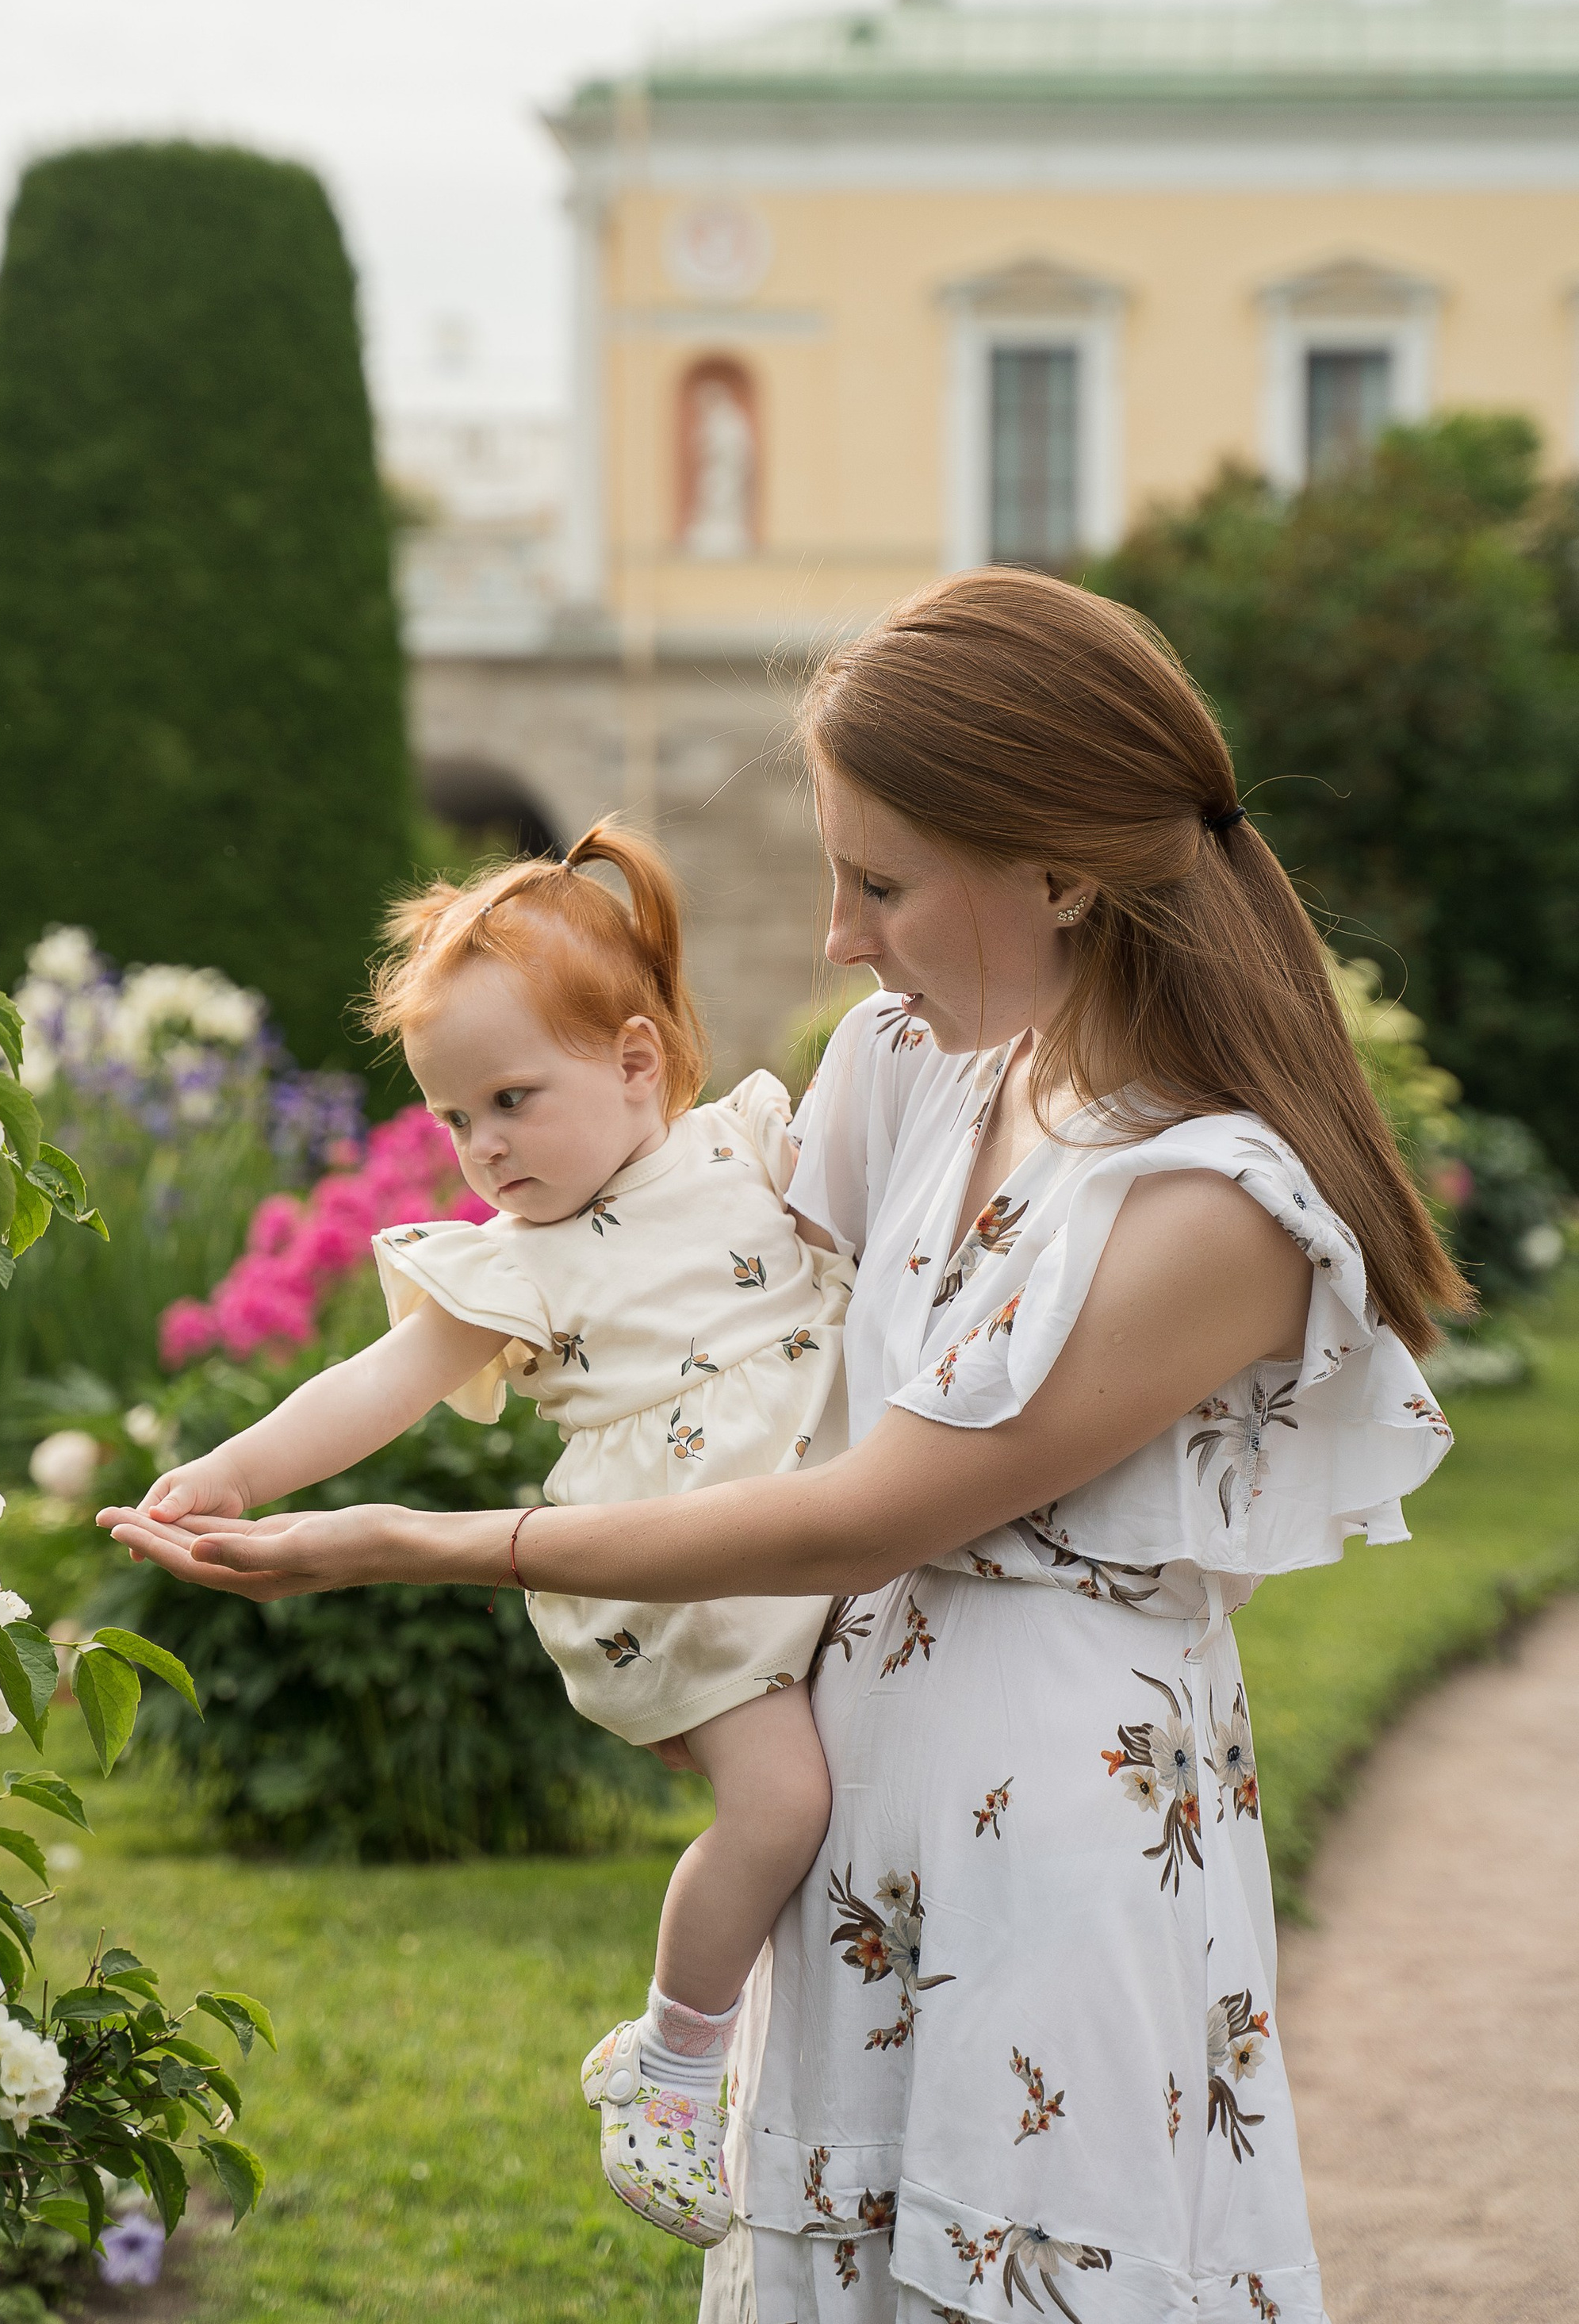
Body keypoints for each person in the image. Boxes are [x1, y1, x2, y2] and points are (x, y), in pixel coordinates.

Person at [105, 569, 1462, 2324]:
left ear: (1059, 872)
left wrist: (428, 1542)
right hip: (853, 1827)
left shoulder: (1208, 1208)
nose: (834, 936)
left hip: (1052, 1843)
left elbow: (859, 1518)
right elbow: (682, 1282)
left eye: (878, 882)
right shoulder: (911, 1069)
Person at [104, 826, 853, 2248]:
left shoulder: (750, 1145)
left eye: (512, 1099)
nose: (484, 1145)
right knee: (782, 1810)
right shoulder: (515, 1264)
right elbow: (369, 1390)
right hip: (685, 1585)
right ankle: (676, 2063)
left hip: (802, 1538)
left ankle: (690, 2052)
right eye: (455, 1118)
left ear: (637, 1064)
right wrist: (232, 1474)